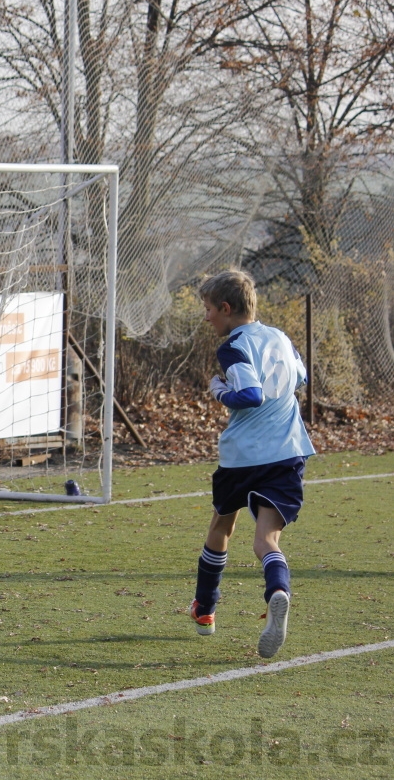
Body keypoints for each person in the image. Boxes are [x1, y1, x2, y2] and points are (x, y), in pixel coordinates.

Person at [191, 269, 315, 658]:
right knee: (266, 541)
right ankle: (278, 592)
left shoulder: (233, 347)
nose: (207, 317)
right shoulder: (280, 337)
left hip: (243, 456)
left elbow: (249, 395)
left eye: (209, 309)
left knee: (221, 526)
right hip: (287, 451)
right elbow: (303, 377)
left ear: (226, 309)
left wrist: (218, 390)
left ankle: (205, 609)